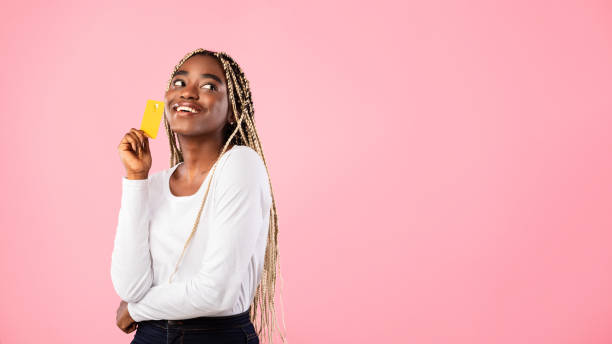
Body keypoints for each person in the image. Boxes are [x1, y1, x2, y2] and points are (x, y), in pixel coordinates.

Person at [111, 49, 287, 344]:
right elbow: (130, 287)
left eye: (208, 86)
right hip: (150, 335)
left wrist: (137, 309)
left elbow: (215, 293)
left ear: (233, 111)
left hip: (214, 336)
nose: (188, 93)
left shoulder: (241, 165)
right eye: (179, 83)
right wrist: (135, 179)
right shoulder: (153, 185)